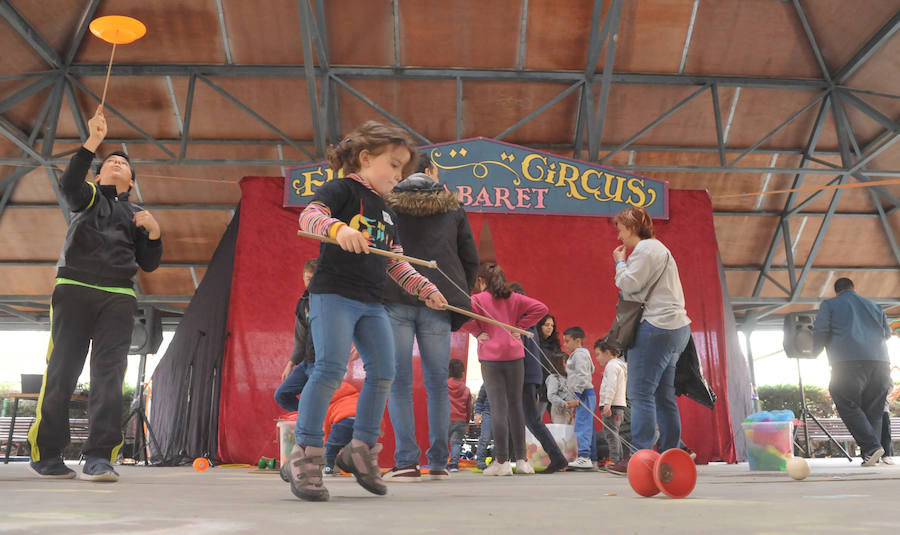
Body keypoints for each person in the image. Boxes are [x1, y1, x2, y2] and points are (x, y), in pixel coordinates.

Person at [285, 121, 448, 502]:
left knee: (385, 372)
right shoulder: (341, 189)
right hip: (334, 294)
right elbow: (308, 217)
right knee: (328, 368)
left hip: (372, 302)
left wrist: (425, 289)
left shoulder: (388, 212)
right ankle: (305, 453)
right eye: (393, 165)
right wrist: (337, 230)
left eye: (403, 169)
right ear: (365, 158)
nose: (398, 174)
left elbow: (395, 261)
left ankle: (360, 450)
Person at [27, 105, 162, 482]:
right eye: (110, 161)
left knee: (110, 375)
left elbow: (149, 264)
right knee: (62, 370)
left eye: (124, 163)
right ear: (99, 174)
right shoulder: (86, 198)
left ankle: (100, 456)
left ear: (132, 182)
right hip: (74, 289)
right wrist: (93, 141)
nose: (117, 163)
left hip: (118, 296)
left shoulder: (137, 215)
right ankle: (48, 452)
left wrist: (154, 233)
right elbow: (69, 184)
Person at [381, 162, 479, 482]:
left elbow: (379, 250)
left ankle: (407, 462)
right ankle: (439, 462)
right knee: (438, 385)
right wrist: (457, 291)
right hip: (439, 301)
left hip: (396, 296)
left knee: (400, 384)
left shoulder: (388, 205)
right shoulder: (453, 208)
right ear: (432, 174)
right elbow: (470, 257)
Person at [607, 206, 691, 476]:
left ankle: (639, 458)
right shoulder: (661, 249)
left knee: (640, 394)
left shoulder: (644, 250)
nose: (619, 237)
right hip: (677, 329)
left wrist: (619, 262)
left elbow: (628, 284)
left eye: (621, 230)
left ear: (632, 228)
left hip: (655, 328)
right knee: (664, 396)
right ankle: (670, 456)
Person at [460, 263, 548, 476]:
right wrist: (520, 327)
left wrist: (477, 332)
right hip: (515, 356)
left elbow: (461, 316)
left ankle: (501, 462)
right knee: (516, 406)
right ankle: (522, 461)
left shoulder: (478, 300)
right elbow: (541, 308)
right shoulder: (515, 298)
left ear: (481, 281)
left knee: (498, 407)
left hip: (490, 357)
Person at [812, 277, 892, 467]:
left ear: (836, 291)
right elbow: (887, 334)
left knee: (844, 400)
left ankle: (872, 448)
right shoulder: (874, 306)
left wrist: (814, 352)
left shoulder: (830, 304)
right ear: (853, 289)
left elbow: (821, 329)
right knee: (874, 409)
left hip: (847, 362)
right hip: (880, 363)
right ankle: (872, 454)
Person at [510, 283, 568, 474]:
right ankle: (550, 457)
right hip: (530, 376)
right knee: (528, 419)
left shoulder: (523, 322)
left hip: (526, 376)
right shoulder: (529, 322)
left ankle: (555, 457)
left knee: (532, 420)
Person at [274, 258, 318, 412]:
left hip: (322, 364)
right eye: (308, 279)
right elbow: (300, 337)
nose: (311, 282)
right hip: (306, 362)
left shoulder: (330, 301)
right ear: (303, 278)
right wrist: (291, 363)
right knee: (281, 395)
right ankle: (307, 419)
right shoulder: (303, 303)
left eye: (315, 278)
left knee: (311, 399)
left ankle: (314, 422)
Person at [562, 327, 597, 471]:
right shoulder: (584, 354)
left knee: (582, 426)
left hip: (584, 395)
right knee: (587, 425)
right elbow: (592, 370)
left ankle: (584, 457)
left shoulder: (579, 354)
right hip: (586, 394)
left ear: (578, 341)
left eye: (567, 341)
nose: (565, 344)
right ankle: (591, 458)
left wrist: (577, 395)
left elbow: (583, 375)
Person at [594, 338, 627, 466]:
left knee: (611, 436)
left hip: (611, 406)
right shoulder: (621, 365)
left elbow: (611, 386)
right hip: (619, 406)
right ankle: (618, 461)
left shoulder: (611, 366)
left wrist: (607, 403)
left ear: (607, 352)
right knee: (615, 434)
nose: (597, 358)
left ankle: (614, 461)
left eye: (598, 354)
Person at [322, 381, 360, 476]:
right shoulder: (357, 397)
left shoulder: (331, 403)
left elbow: (327, 425)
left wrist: (327, 441)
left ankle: (328, 469)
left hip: (341, 424)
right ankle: (357, 471)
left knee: (331, 449)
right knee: (357, 450)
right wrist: (380, 428)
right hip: (360, 424)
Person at [447, 359, 472, 472]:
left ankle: (440, 463)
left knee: (442, 442)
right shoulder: (466, 390)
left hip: (445, 419)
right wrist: (467, 423)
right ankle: (453, 465)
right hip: (460, 421)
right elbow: (469, 408)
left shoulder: (444, 387)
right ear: (462, 373)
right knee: (456, 443)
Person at [536, 314, 561, 417]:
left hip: (554, 390)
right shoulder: (534, 343)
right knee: (536, 421)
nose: (550, 327)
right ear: (540, 326)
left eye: (552, 325)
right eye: (546, 325)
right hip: (539, 390)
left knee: (559, 421)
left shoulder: (555, 345)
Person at [545, 352, 574, 425]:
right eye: (565, 363)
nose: (568, 365)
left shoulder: (569, 378)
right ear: (558, 365)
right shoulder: (554, 378)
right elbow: (551, 395)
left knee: (571, 434)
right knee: (561, 433)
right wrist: (564, 403)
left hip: (571, 410)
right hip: (559, 411)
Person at [473, 384, 492, 470]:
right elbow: (480, 400)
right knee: (485, 437)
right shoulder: (487, 383)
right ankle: (480, 461)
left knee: (501, 438)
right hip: (488, 412)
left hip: (502, 412)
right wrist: (477, 413)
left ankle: (497, 461)